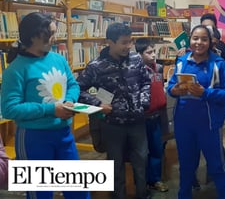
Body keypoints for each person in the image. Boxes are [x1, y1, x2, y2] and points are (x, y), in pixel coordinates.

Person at [0, 12, 90, 199]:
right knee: (40, 193)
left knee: (78, 190)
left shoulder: (58, 59)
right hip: (33, 138)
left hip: (64, 134)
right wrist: (51, 109)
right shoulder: (16, 69)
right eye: (50, 33)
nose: (54, 38)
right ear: (34, 36)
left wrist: (70, 101)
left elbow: (72, 84)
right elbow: (9, 108)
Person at [76, 23, 151, 199]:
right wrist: (97, 103)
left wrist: (144, 101)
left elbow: (145, 82)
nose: (128, 46)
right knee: (115, 165)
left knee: (141, 161)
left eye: (130, 41)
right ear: (109, 42)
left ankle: (143, 194)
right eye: (124, 42)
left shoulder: (136, 59)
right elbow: (78, 89)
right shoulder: (96, 66)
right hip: (112, 125)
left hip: (137, 122)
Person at [167, 25, 225, 199]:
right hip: (183, 124)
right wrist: (173, 90)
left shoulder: (218, 64)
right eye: (195, 38)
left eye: (204, 39)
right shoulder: (182, 61)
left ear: (211, 42)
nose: (199, 43)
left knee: (216, 167)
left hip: (209, 125)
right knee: (186, 166)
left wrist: (206, 93)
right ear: (190, 40)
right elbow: (170, 86)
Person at [135, 38, 168, 193]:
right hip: (141, 118)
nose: (153, 55)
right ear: (139, 54)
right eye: (149, 52)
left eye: (154, 51)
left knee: (157, 149)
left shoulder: (159, 68)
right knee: (142, 152)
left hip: (157, 116)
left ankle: (155, 179)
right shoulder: (135, 71)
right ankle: (142, 183)